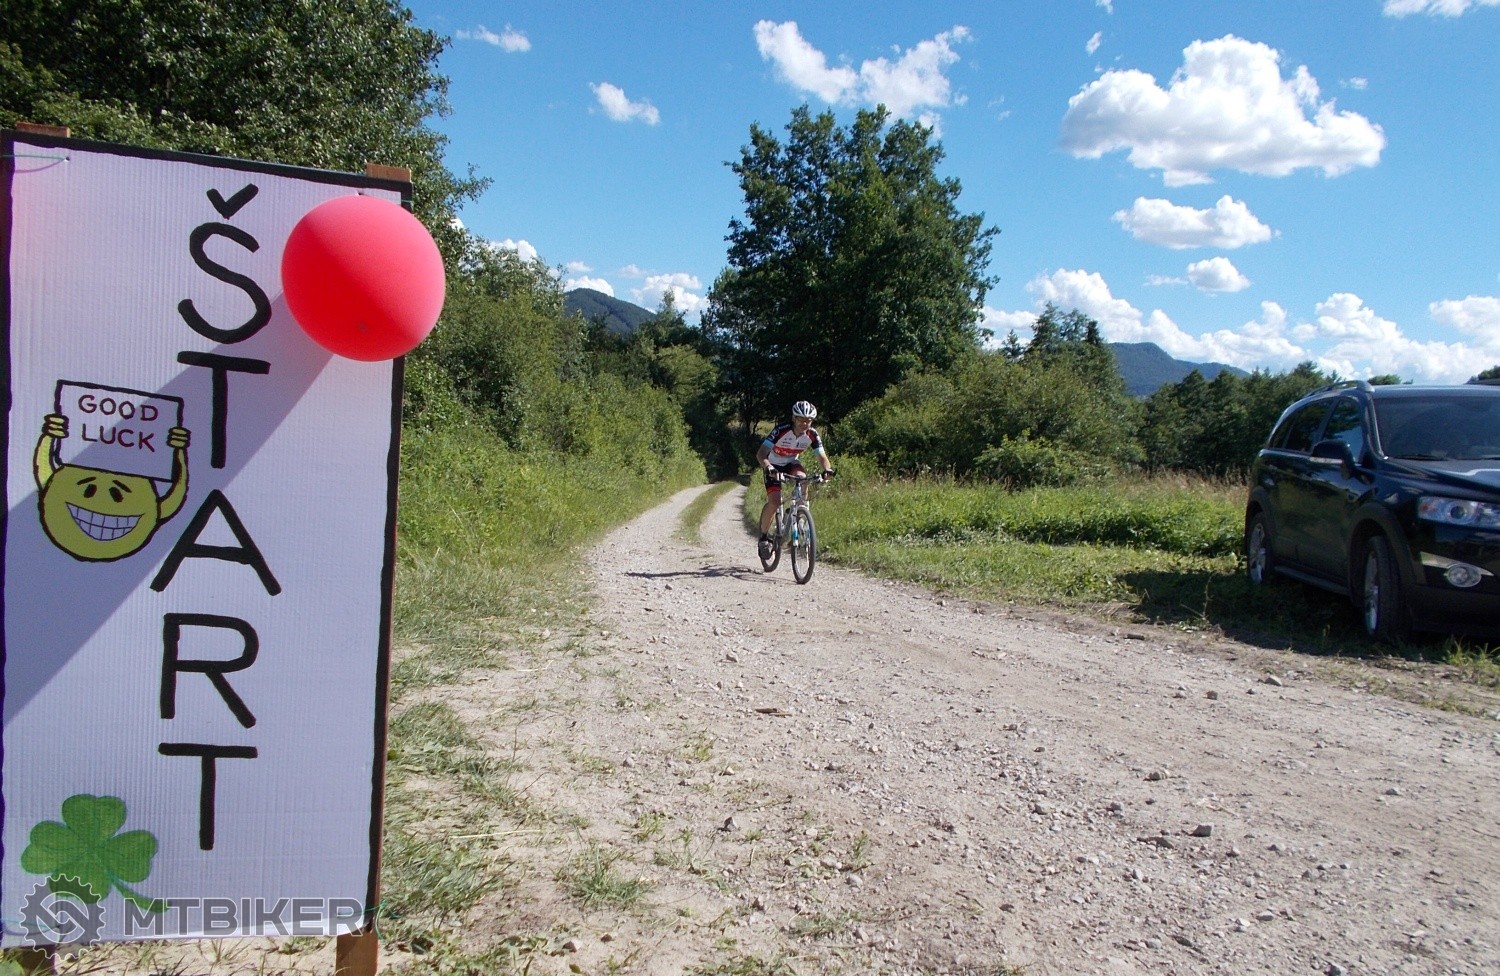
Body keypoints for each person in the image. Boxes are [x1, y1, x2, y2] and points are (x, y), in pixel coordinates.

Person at [756, 400, 834, 559]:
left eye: (808, 420)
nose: (804, 424)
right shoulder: (781, 430)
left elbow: (822, 456)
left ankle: (800, 512)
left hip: (791, 462)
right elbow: (761, 454)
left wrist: (827, 470)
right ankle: (764, 537)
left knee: (803, 478)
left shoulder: (812, 434)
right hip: (773, 464)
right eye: (801, 420)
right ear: (794, 418)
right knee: (774, 502)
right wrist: (769, 467)